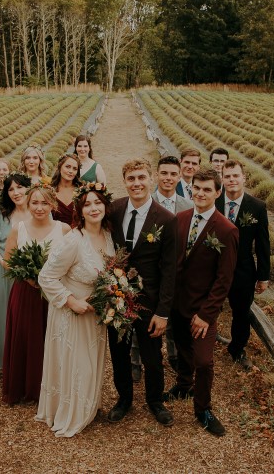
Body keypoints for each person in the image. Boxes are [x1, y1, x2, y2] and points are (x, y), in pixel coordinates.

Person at [36, 182, 114, 437]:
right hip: (71, 314)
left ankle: (88, 407)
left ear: (105, 205)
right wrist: (71, 301)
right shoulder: (73, 240)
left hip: (95, 316)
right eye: (87, 204)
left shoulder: (109, 235)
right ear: (79, 210)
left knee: (91, 363)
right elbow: (46, 277)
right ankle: (71, 411)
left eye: (97, 202)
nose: (93, 208)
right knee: (76, 363)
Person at [165, 168, 238, 437]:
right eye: (196, 188)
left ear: (218, 193)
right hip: (177, 303)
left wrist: (206, 314)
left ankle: (203, 409)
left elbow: (224, 279)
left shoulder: (226, 230)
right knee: (183, 348)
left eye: (207, 189)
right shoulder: (180, 219)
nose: (201, 193)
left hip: (203, 309)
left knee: (204, 361)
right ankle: (184, 384)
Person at [107, 159, 177, 427]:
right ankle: (124, 399)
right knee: (119, 352)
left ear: (151, 179)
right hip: (118, 298)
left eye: (141, 178)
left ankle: (155, 401)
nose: (136, 183)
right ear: (124, 181)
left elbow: (170, 270)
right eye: (131, 178)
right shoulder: (114, 210)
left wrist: (163, 312)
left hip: (150, 301)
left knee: (151, 355)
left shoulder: (167, 220)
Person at [1, 184, 70, 405]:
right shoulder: (18, 228)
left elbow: (72, 263)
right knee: (25, 337)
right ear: (28, 204)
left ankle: (52, 389)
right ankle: (25, 387)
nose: (39, 208)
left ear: (53, 204)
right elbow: (9, 260)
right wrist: (28, 276)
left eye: (44, 203)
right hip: (25, 292)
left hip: (53, 295)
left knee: (52, 338)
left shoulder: (65, 229)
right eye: (34, 203)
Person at [216, 160, 270, 370]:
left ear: (243, 178)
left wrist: (263, 276)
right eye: (227, 176)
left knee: (241, 313)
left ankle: (237, 349)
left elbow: (263, 244)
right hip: (216, 268)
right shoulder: (214, 201)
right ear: (222, 179)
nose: (231, 180)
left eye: (235, 176)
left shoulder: (257, 207)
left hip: (244, 270)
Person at [144, 155, 193, 374]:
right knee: (145, 319)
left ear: (180, 176)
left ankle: (174, 356)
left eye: (173, 174)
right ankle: (138, 361)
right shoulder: (146, 203)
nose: (168, 178)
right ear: (156, 174)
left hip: (180, 274)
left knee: (176, 320)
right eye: (164, 173)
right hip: (152, 275)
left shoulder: (189, 206)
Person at [0, 172, 32, 369]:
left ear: (28, 188)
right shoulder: (2, 214)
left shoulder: (38, 211)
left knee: (26, 319)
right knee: (5, 316)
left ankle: (24, 362)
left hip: (30, 275)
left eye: (20, 187)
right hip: (4, 272)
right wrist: (3, 262)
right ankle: (5, 361)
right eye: (11, 189)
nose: (16, 192)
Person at [50, 153, 81, 225]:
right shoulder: (49, 190)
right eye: (67, 167)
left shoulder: (81, 190)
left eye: (75, 169)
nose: (71, 171)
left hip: (77, 233)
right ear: (60, 167)